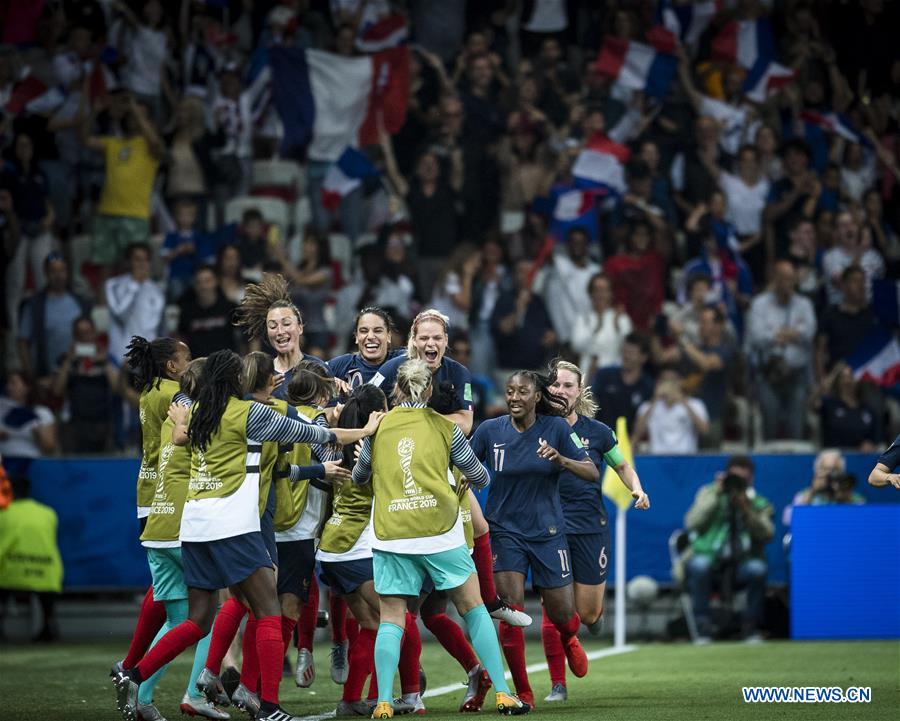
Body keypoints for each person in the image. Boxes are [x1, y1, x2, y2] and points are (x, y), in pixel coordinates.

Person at [113, 349, 384, 721]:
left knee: (197, 620)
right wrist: (366, 431)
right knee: (269, 611)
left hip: (194, 527)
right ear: (233, 380)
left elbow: (178, 439)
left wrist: (179, 418)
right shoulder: (249, 413)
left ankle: (134, 673)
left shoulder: (197, 413)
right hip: (233, 525)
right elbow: (315, 432)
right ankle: (269, 706)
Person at [352, 359, 530, 718]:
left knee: (391, 617)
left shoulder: (378, 428)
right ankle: (503, 694)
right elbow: (480, 477)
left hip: (393, 534)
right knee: (473, 608)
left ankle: (384, 702)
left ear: (397, 391)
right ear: (430, 390)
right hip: (439, 533)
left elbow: (358, 477)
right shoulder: (445, 429)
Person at [469, 369, 599, 707]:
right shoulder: (489, 430)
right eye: (509, 391)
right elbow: (463, 465)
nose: (513, 397)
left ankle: (570, 637)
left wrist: (561, 459)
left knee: (561, 614)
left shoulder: (555, 429)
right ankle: (522, 691)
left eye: (522, 392)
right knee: (510, 610)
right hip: (504, 531)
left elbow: (591, 471)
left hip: (548, 533)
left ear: (537, 396)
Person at [541, 360, 649, 702]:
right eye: (555, 385)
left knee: (585, 614)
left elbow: (622, 464)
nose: (560, 391)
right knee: (552, 606)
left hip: (589, 526)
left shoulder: (598, 432)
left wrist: (637, 489)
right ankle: (558, 684)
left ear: (579, 391)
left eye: (568, 385)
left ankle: (584, 623)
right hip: (547, 527)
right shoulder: (534, 427)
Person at [133, 357, 227, 721]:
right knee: (209, 617)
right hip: (184, 529)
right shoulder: (201, 418)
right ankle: (193, 695)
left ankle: (141, 694)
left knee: (176, 621)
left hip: (157, 527)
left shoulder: (173, 415)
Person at [318, 384, 388, 716]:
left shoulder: (338, 443)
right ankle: (384, 694)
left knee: (372, 625)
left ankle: (351, 699)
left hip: (331, 548)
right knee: (392, 622)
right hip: (357, 547)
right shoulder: (371, 448)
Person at [680, 456, 774, 643]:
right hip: (709, 559)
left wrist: (746, 509)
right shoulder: (709, 493)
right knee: (699, 565)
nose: (737, 485)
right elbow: (691, 522)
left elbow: (767, 533)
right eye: (734, 479)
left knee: (758, 569)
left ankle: (751, 627)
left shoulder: (759, 503)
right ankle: (703, 627)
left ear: (751, 480)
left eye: (743, 480)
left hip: (743, 563)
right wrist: (717, 495)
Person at [744, 259, 817, 441]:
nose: (788, 283)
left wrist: (776, 334)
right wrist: (790, 334)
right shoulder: (759, 304)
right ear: (774, 278)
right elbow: (757, 337)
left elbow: (809, 333)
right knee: (770, 423)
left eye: (791, 278)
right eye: (783, 278)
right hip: (768, 375)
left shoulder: (804, 304)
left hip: (797, 374)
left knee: (796, 426)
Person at [234, 274, 328, 399]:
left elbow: (330, 413)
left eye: (286, 324)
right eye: (273, 326)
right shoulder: (259, 375)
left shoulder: (318, 369)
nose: (280, 331)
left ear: (300, 328)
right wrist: (262, 396)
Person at [0, 473, 63, 642]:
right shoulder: (48, 513)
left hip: (11, 573)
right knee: (46, 596)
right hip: (46, 573)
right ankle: (48, 628)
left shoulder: (4, 513)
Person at [51, 316, 119, 453]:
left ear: (95, 333)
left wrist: (104, 362)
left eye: (88, 332)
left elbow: (118, 389)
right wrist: (69, 361)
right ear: (75, 336)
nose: (86, 337)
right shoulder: (66, 360)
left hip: (103, 425)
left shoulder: (106, 359)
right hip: (75, 425)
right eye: (81, 334)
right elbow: (57, 390)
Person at [17, 253, 89, 382]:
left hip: (77, 376)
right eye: (53, 271)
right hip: (45, 378)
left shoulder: (81, 303)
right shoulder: (34, 305)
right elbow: (23, 343)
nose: (58, 275)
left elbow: (89, 340)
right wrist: (31, 376)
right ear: (45, 273)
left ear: (68, 272)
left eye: (62, 270)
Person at [490, 258, 557, 382]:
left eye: (530, 272)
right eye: (522, 272)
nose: (526, 276)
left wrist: (550, 336)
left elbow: (550, 331)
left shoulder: (538, 301)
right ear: (514, 275)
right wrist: (519, 308)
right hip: (509, 371)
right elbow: (502, 329)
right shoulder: (504, 299)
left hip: (536, 371)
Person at [105, 243, 166, 365]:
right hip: (121, 356)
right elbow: (120, 315)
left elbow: (158, 327)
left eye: (146, 260)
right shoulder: (113, 285)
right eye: (137, 259)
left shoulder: (157, 290)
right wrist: (135, 285)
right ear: (128, 262)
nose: (142, 264)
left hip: (149, 358)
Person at [570, 272, 632, 379]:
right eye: (597, 290)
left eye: (604, 290)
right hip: (587, 375)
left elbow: (629, 349)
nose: (600, 295)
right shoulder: (583, 318)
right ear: (590, 293)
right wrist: (596, 328)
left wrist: (617, 326)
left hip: (614, 375)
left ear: (611, 293)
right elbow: (576, 346)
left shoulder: (621, 317)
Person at [590, 332, 655, 432]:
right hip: (600, 440)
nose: (626, 356)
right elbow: (589, 403)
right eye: (624, 351)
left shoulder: (648, 385)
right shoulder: (605, 375)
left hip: (631, 443)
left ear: (644, 357)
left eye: (631, 353)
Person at [328, 307, 404, 392]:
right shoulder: (341, 365)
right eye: (364, 331)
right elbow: (311, 372)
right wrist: (328, 380)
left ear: (388, 336)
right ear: (356, 337)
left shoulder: (403, 361)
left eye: (378, 331)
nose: (371, 336)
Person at [634, 369, 709, 455]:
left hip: (686, 459)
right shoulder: (647, 406)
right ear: (658, 383)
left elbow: (704, 431)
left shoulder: (695, 404)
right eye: (665, 381)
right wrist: (655, 399)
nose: (669, 385)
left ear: (680, 382)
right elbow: (637, 434)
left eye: (672, 381)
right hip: (657, 459)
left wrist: (683, 400)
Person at [177, 265, 243, 358]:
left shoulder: (230, 307)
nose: (203, 286)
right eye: (199, 282)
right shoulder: (187, 311)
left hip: (227, 365)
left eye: (207, 281)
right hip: (198, 366)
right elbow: (182, 339)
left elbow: (247, 335)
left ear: (216, 282)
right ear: (194, 286)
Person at [0, 372, 58, 477]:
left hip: (30, 464)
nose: (9, 387)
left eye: (13, 383)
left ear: (27, 388)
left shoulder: (41, 413)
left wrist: (38, 435)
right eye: (8, 383)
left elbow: (50, 448)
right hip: (3, 463)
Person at [782, 449, 845, 527]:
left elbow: (860, 519)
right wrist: (812, 491)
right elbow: (787, 519)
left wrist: (844, 496)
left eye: (834, 470)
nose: (829, 474)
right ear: (816, 471)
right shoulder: (803, 496)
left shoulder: (851, 497)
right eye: (825, 469)